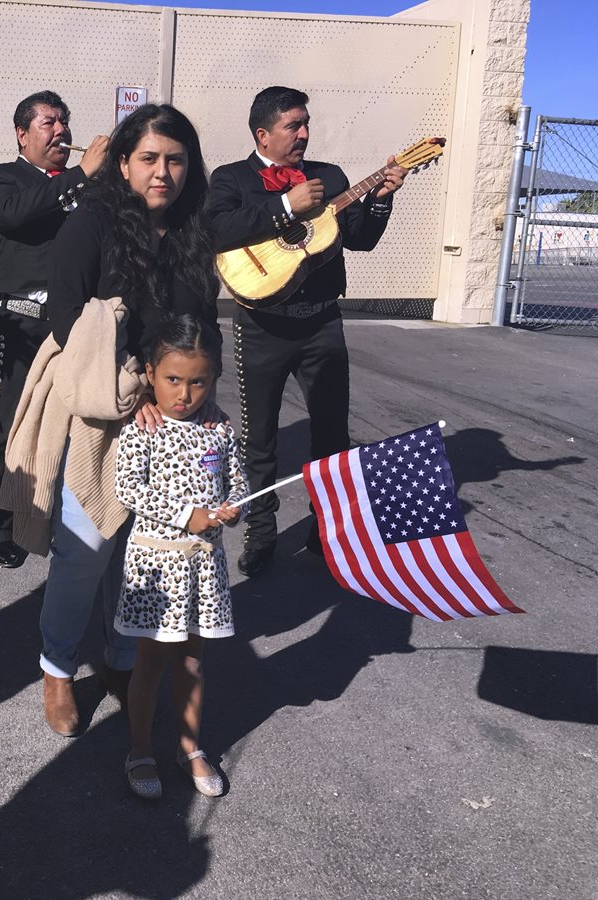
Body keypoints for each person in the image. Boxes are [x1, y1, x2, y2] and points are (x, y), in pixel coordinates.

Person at [29, 103, 221, 736]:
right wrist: (133, 384)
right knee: (85, 550)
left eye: (175, 160)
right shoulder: (91, 223)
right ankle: (58, 668)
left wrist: (193, 392)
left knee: (140, 549)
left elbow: (201, 324)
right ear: (122, 163)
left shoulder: (195, 231)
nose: (162, 172)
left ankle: (117, 657)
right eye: (149, 159)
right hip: (101, 409)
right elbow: (64, 317)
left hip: (173, 417)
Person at [206, 85, 406, 577]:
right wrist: (286, 209)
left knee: (332, 434)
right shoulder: (231, 179)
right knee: (260, 438)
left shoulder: (330, 177)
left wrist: (379, 200)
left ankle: (326, 530)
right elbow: (216, 232)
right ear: (263, 133)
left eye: (306, 123)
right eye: (293, 125)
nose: (303, 133)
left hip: (321, 323)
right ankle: (261, 533)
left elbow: (360, 240)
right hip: (261, 326)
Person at [112, 314, 246, 800]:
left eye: (197, 382)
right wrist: (186, 514)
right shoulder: (143, 430)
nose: (184, 394)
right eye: (172, 379)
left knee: (192, 663)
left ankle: (189, 747)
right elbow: (128, 488)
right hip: (157, 567)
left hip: (204, 568)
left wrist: (234, 508)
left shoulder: (219, 429)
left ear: (213, 381)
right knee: (149, 664)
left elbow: (238, 480)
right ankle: (140, 750)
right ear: (151, 374)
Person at [0, 90, 107, 569]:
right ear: (21, 133)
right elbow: (17, 214)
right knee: (13, 429)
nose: (61, 131)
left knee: (78, 427)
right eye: (49, 122)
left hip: (79, 327)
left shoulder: (85, 187)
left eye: (65, 122)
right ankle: (1, 527)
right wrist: (82, 174)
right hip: (20, 324)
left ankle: (58, 518)